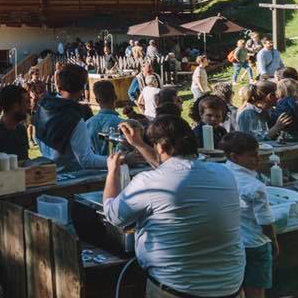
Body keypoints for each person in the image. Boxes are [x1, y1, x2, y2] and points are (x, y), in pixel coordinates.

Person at [104, 116, 244, 297]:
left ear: (160, 147)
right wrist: (139, 144)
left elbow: (113, 215)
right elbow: (172, 169)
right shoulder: (223, 172)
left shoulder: (149, 181)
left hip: (177, 289)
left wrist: (112, 172)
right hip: (230, 287)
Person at [219, 132, 280, 298]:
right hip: (255, 244)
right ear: (234, 157)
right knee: (256, 290)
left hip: (231, 242)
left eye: (257, 154)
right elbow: (265, 220)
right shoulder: (255, 186)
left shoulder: (220, 174)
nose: (258, 159)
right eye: (252, 156)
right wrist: (273, 241)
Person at [33, 63, 107, 173]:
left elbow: (37, 138)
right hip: (70, 177)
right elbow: (86, 160)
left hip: (46, 171)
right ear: (82, 88)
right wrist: (120, 159)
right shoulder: (74, 118)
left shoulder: (42, 107)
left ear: (59, 84)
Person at [85, 80, 122, 155]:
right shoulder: (122, 124)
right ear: (115, 97)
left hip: (93, 165)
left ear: (97, 100)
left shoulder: (87, 124)